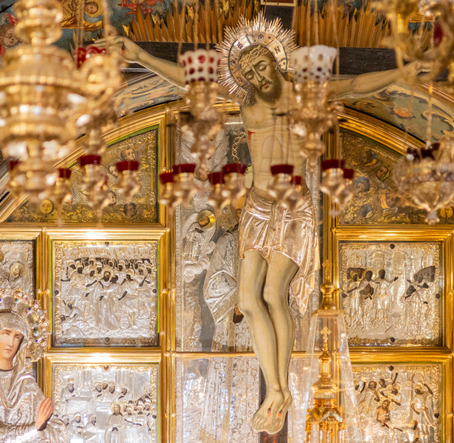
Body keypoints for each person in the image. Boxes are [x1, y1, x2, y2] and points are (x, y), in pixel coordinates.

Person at [98, 15, 425, 433]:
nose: (255, 75)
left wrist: (401, 73)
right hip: (257, 208)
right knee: (248, 299)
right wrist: (140, 55)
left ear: (277, 60)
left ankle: (281, 386)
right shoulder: (246, 103)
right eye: (247, 72)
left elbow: (357, 84)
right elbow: (190, 82)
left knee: (274, 294)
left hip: (292, 209)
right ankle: (276, 389)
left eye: (260, 65)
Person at [0, 291, 68, 442]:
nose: (11, 342)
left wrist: (41, 427)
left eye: (17, 337)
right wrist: (33, 429)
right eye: (6, 333)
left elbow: (56, 429)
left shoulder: (27, 384)